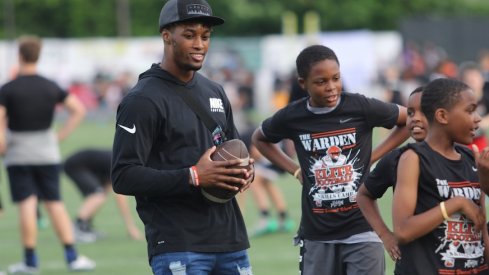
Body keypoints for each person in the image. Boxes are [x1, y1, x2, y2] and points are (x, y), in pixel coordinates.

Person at [110, 0, 254, 274]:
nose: (199, 44)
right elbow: (123, 175)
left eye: (205, 36)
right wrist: (193, 176)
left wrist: (245, 172)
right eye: (189, 35)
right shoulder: (142, 100)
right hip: (179, 244)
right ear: (167, 36)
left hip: (231, 241)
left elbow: (234, 150)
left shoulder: (216, 92)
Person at [252, 44, 409, 275]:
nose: (331, 87)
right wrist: (295, 170)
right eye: (321, 81)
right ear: (303, 83)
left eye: (336, 78)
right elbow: (260, 138)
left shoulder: (359, 106)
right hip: (317, 236)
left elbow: (408, 120)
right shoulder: (293, 115)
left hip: (363, 229)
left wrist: (373, 155)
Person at [0, 35, 95, 274]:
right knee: (55, 204)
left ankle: (30, 262)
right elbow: (78, 110)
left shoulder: (8, 88)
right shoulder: (50, 85)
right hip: (46, 151)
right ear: (38, 56)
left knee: (27, 205)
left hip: (18, 152)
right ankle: (72, 257)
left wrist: (2, 143)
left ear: (20, 56)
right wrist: (60, 136)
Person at [392, 78, 489, 274]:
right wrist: (456, 203)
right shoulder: (414, 159)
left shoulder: (472, 158)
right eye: (470, 111)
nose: (478, 118)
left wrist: (485, 177)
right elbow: (403, 231)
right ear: (443, 116)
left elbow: (481, 227)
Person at [356, 87, 426, 273]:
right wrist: (385, 235)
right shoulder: (397, 159)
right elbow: (364, 195)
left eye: (424, 112)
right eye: (410, 112)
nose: (415, 118)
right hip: (413, 267)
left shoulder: (465, 157)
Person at [64, 148, 142, 243]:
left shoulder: (119, 161)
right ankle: (77, 228)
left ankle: (86, 227)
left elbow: (110, 186)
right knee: (98, 195)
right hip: (75, 165)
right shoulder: (119, 164)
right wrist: (130, 227)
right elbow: (120, 197)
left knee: (101, 194)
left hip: (83, 165)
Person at [248, 145, 294, 237]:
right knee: (267, 183)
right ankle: (284, 218)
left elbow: (256, 153)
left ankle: (265, 219)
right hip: (281, 159)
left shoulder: (252, 134)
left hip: (275, 161)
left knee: (254, 179)